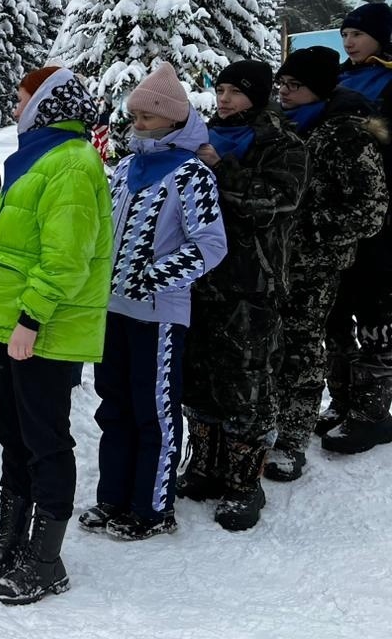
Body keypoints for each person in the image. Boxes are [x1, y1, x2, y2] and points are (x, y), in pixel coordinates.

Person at [0, 66, 112, 605]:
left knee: (44, 440)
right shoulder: (34, 158)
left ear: (48, 104)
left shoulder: (71, 162)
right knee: (13, 434)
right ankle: (14, 541)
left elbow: (67, 257)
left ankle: (46, 559)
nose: (16, 105)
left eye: (24, 97)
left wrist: (31, 318)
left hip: (40, 329)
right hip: (10, 324)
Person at [78, 63, 227, 541]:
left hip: (160, 315)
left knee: (155, 411)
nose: (136, 123)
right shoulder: (124, 167)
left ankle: (152, 507)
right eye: (134, 115)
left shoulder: (191, 174)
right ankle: (112, 498)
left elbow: (210, 245)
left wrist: (153, 277)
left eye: (146, 116)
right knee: (114, 406)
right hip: (112, 310)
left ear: (173, 119)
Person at [180, 61, 307, 532]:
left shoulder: (282, 143)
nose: (225, 99)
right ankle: (206, 466)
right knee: (199, 374)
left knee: (247, 379)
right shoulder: (201, 136)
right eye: (221, 89)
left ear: (257, 94)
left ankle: (242, 481)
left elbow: (273, 201)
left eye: (235, 91)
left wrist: (220, 169)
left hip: (252, 282)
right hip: (200, 279)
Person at [274, 44, 389, 466]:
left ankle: (298, 440)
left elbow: (370, 209)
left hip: (327, 260)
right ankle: (329, 408)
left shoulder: (345, 133)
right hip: (287, 260)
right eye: (282, 83)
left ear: (319, 89)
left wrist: (304, 228)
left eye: (295, 85)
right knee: (306, 340)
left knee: (308, 347)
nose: (284, 91)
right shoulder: (289, 125)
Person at [322, 2, 392, 454]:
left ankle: (372, 413)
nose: (348, 41)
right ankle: (342, 399)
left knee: (375, 310)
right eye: (345, 34)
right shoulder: (340, 80)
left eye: (358, 34)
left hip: (384, 214)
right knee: (335, 305)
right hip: (336, 211)